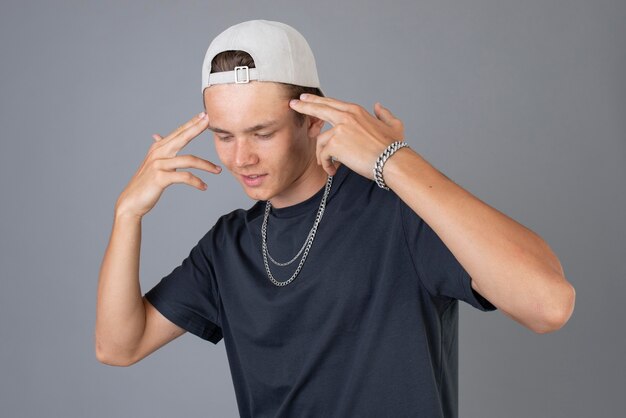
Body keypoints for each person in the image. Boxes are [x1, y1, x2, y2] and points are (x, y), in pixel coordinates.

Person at [95, 19, 576, 418]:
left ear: (312, 119)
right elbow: (119, 346)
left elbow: (549, 304)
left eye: (261, 133)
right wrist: (126, 214)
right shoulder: (228, 247)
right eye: (224, 135)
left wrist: (395, 160)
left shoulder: (400, 209)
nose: (240, 158)